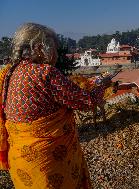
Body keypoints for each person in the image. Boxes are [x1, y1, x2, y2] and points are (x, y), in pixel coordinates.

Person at [0, 23, 108, 189]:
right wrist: (102, 84)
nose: (56, 54)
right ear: (39, 48)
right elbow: (87, 101)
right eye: (53, 48)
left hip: (22, 163)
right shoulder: (45, 73)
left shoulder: (9, 73)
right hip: (50, 164)